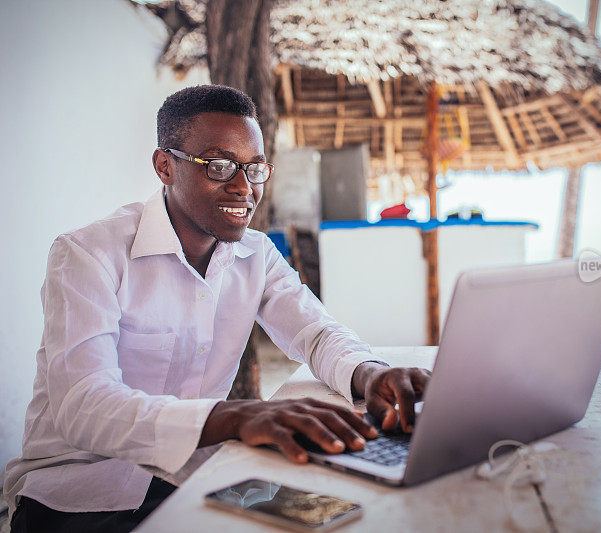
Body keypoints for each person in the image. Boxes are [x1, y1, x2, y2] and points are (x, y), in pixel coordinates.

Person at [3, 85, 430, 532]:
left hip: (192, 477)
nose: (244, 187)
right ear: (165, 166)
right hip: (78, 498)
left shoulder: (256, 255)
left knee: (349, 514)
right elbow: (83, 408)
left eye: (254, 168)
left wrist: (370, 372)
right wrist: (235, 415)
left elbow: (317, 333)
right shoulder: (89, 253)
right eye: (220, 165)